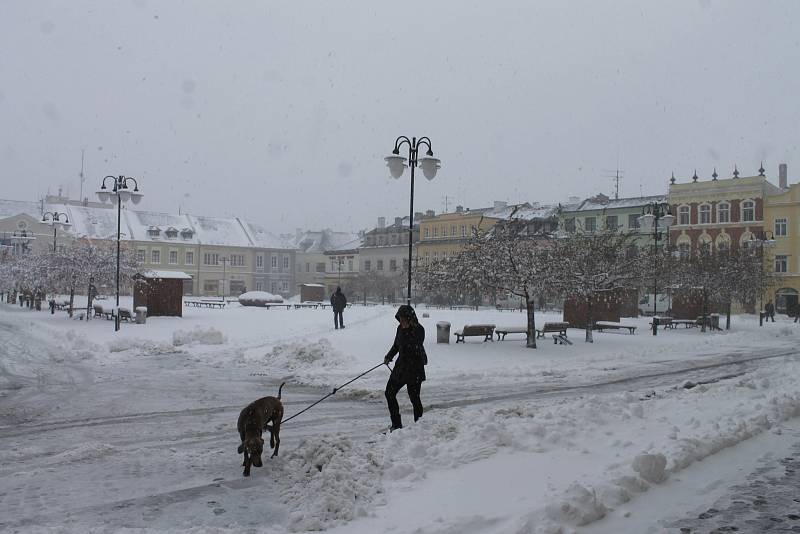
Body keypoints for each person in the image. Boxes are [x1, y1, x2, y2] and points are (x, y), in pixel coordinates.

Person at [383, 305, 427, 431]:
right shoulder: (399, 328)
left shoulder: (419, 330)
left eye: (403, 319)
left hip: (414, 369)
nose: (401, 321)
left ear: (409, 318)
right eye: (399, 319)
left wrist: (408, 330)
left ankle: (419, 424)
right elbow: (397, 345)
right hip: (401, 367)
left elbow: (415, 346)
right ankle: (396, 424)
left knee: (414, 397)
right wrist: (388, 356)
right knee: (389, 392)